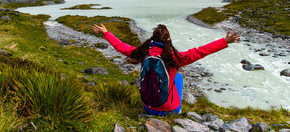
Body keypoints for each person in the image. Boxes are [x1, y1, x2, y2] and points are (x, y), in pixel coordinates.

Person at [92, 23, 240, 116]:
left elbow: (120, 46)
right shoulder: (175, 58)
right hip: (170, 110)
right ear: (168, 40)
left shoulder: (143, 53)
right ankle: (177, 109)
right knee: (177, 78)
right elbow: (201, 51)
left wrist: (106, 33)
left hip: (148, 107)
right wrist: (225, 41)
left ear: (152, 39)